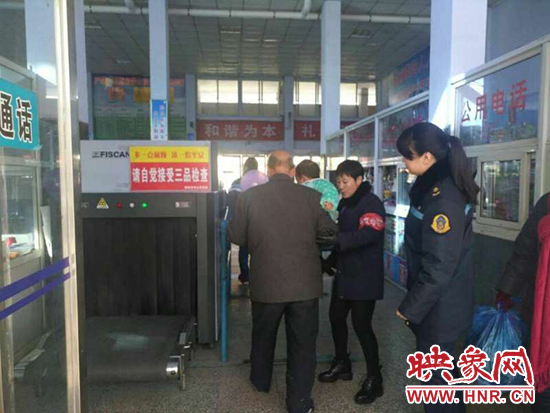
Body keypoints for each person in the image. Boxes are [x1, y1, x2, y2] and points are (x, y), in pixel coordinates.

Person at [228, 150, 338, 413]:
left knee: (263, 335)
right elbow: (329, 233)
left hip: (266, 283)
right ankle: (299, 403)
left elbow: (237, 236)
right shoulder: (312, 197)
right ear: (292, 171)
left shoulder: (249, 197)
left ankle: (261, 381)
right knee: (303, 345)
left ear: (268, 170)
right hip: (304, 286)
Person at [395, 122, 478, 413]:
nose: (403, 162)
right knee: (445, 380)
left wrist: (410, 307)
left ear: (427, 157)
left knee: (437, 385)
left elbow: (439, 264)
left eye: (407, 156)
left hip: (441, 308)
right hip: (442, 304)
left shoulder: (442, 198)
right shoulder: (433, 189)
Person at [317, 160, 386, 405]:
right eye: (338, 182)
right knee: (336, 318)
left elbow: (369, 234)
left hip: (364, 276)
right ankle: (342, 363)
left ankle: (374, 378)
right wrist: (329, 261)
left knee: (361, 325)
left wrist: (337, 240)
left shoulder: (371, 203)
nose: (341, 186)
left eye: (345, 182)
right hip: (345, 274)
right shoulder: (345, 204)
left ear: (358, 180)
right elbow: (342, 236)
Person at [496, 192, 550, 412]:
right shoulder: (547, 204)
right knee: (543, 395)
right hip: (540, 317)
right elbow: (523, 254)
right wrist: (506, 290)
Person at [228, 157, 258, 284]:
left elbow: (231, 203)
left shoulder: (236, 183)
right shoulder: (262, 182)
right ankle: (258, 276)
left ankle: (245, 276)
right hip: (258, 223)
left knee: (244, 250)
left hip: (243, 222)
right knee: (259, 250)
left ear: (245, 167)